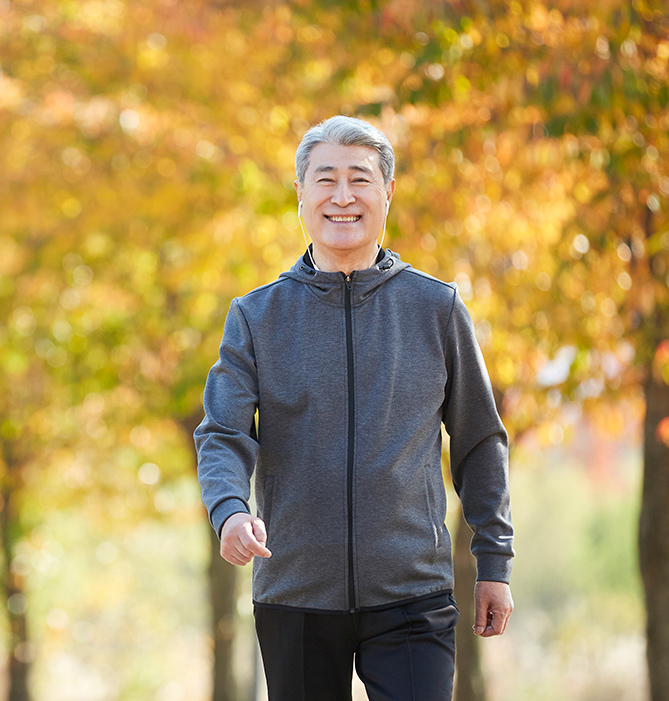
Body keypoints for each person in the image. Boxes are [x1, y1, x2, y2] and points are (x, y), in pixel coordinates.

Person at [195, 115, 514, 700]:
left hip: (412, 593)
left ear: (387, 191)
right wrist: (230, 510)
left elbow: (479, 441)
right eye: (326, 180)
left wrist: (494, 561)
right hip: (294, 592)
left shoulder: (436, 308)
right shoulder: (255, 317)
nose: (343, 197)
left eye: (359, 180)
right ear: (301, 194)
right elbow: (222, 433)